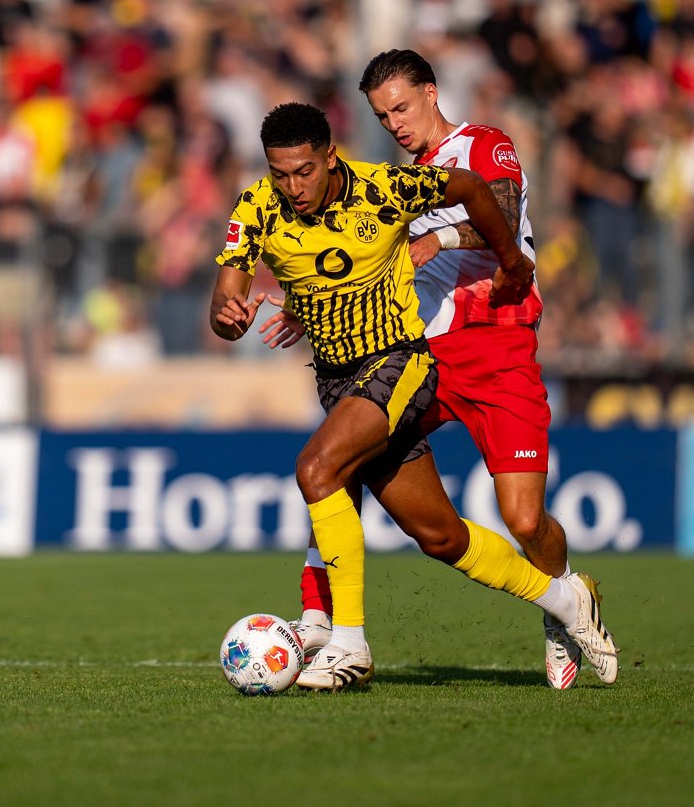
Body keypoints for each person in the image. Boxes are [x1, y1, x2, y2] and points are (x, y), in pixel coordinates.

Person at [212, 101, 617, 691]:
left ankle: (341, 636)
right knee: (440, 536)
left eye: (304, 171)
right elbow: (226, 296)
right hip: (336, 379)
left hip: (398, 361)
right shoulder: (255, 207)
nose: (293, 186)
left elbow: (473, 188)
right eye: (281, 173)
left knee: (319, 466)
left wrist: (512, 262)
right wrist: (230, 317)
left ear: (330, 157)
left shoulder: (383, 189)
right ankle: (564, 599)